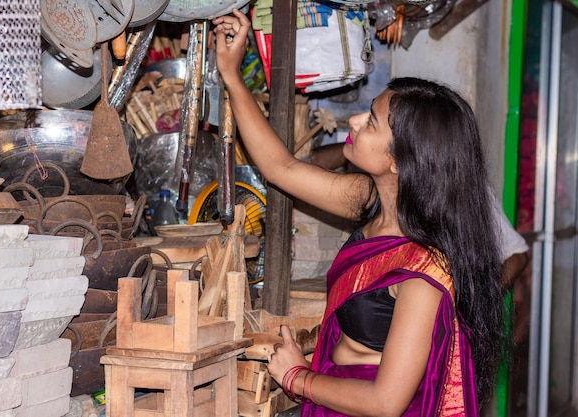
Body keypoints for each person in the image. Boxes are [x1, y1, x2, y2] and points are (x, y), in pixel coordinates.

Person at [213, 9, 507, 417]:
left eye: (370, 122)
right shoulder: (371, 198)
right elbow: (281, 168)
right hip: (333, 395)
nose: (353, 121)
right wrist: (232, 75)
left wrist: (297, 377)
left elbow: (386, 403)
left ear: (401, 161)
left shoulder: (424, 272)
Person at [309, 142, 530, 292]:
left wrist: (472, 308)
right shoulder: (375, 178)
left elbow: (517, 255)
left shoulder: (459, 188)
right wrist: (358, 143)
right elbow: (311, 163)